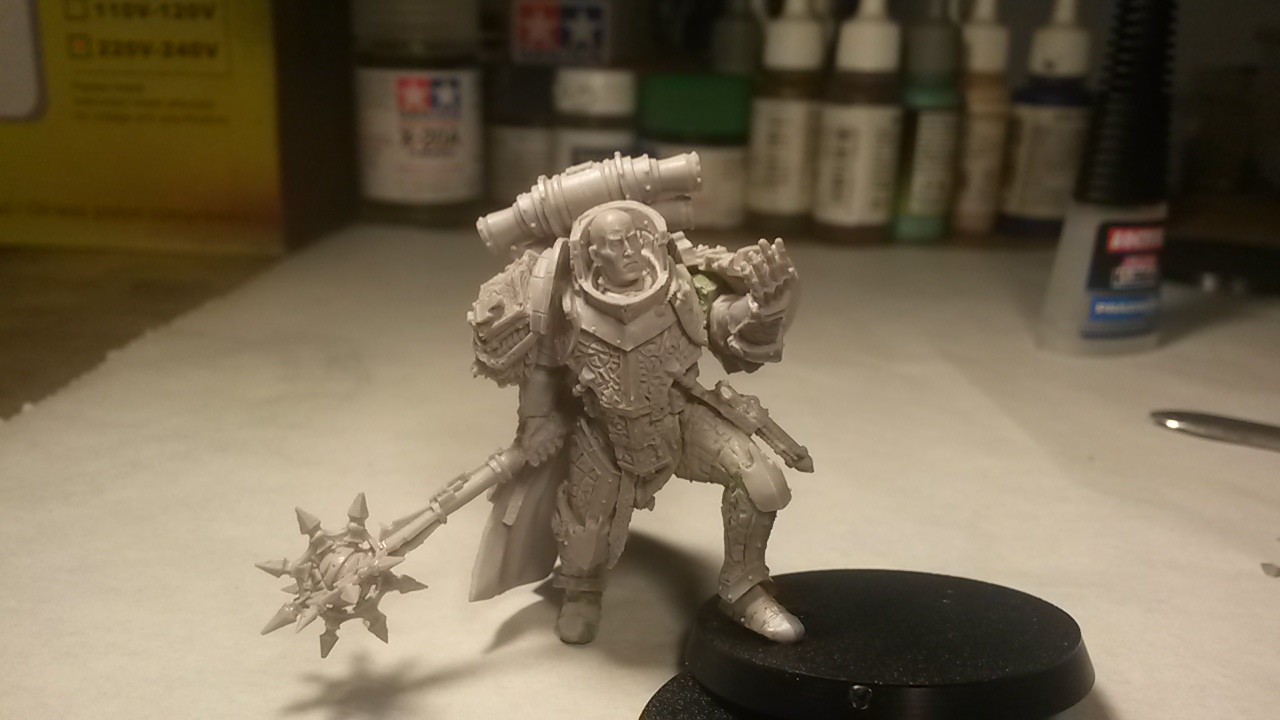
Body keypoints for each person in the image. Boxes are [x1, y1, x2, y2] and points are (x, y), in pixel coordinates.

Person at [468, 200, 808, 644]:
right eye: (616, 244)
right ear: (594, 255)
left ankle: (743, 589)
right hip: (604, 434)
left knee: (759, 481)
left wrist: (763, 306)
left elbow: (727, 321)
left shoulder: (680, 287)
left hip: (677, 419)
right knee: (584, 528)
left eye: (634, 238)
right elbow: (544, 369)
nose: (629, 250)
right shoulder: (565, 304)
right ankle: (581, 591)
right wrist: (535, 423)